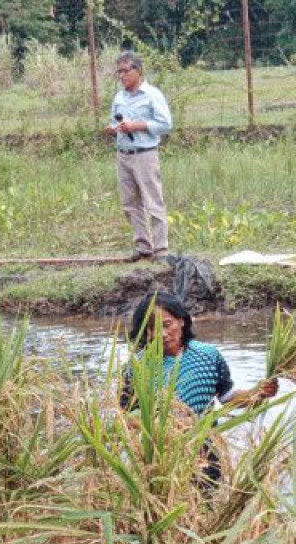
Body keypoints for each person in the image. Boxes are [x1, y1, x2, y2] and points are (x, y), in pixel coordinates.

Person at [119, 292, 276, 485]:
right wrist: (166, 425)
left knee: (210, 508)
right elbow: (125, 419)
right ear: (144, 332)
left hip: (206, 456)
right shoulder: (136, 367)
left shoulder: (208, 356)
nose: (162, 334)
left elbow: (226, 397)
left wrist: (257, 393)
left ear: (182, 320)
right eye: (152, 329)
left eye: (167, 324)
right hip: (160, 464)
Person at [105, 51, 173, 262]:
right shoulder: (119, 97)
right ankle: (143, 246)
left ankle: (161, 250)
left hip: (145, 154)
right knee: (130, 203)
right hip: (124, 154)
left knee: (153, 202)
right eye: (119, 72)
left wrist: (138, 126)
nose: (122, 76)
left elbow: (166, 125)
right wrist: (114, 128)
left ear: (138, 70)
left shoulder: (152, 95)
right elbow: (115, 122)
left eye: (126, 71)